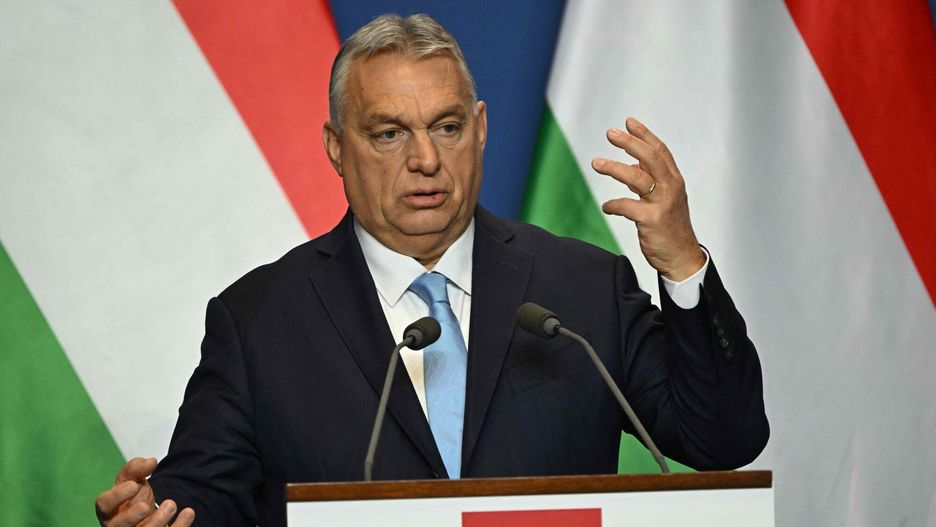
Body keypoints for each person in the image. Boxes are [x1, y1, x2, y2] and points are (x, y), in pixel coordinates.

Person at [95, 13, 768, 527]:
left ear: (480, 128)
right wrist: (152, 514)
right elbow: (202, 499)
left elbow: (723, 439)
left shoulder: (583, 290)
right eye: (389, 133)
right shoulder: (259, 321)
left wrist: (683, 263)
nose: (425, 159)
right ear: (337, 147)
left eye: (446, 127)